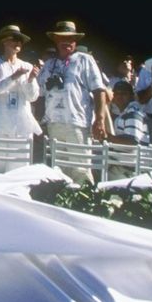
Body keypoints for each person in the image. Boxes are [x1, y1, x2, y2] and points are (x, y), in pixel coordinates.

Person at [40, 20, 110, 184]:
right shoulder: (49, 64)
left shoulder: (85, 59)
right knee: (59, 172)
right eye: (62, 38)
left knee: (81, 170)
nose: (66, 41)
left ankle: (85, 205)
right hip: (54, 124)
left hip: (77, 124)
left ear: (76, 41)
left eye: (71, 38)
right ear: (55, 40)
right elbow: (40, 93)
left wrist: (99, 120)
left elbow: (99, 90)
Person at [0, 25, 41, 171]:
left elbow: (33, 97)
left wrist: (31, 79)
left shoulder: (26, 66)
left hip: (21, 127)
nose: (18, 43)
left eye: (20, 40)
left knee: (18, 172)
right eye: (14, 39)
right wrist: (14, 76)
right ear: (4, 41)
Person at [109, 79, 149, 145]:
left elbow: (132, 142)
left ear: (132, 96)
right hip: (125, 154)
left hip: (136, 155)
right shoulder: (124, 113)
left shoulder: (133, 113)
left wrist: (107, 137)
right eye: (116, 93)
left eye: (124, 93)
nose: (119, 96)